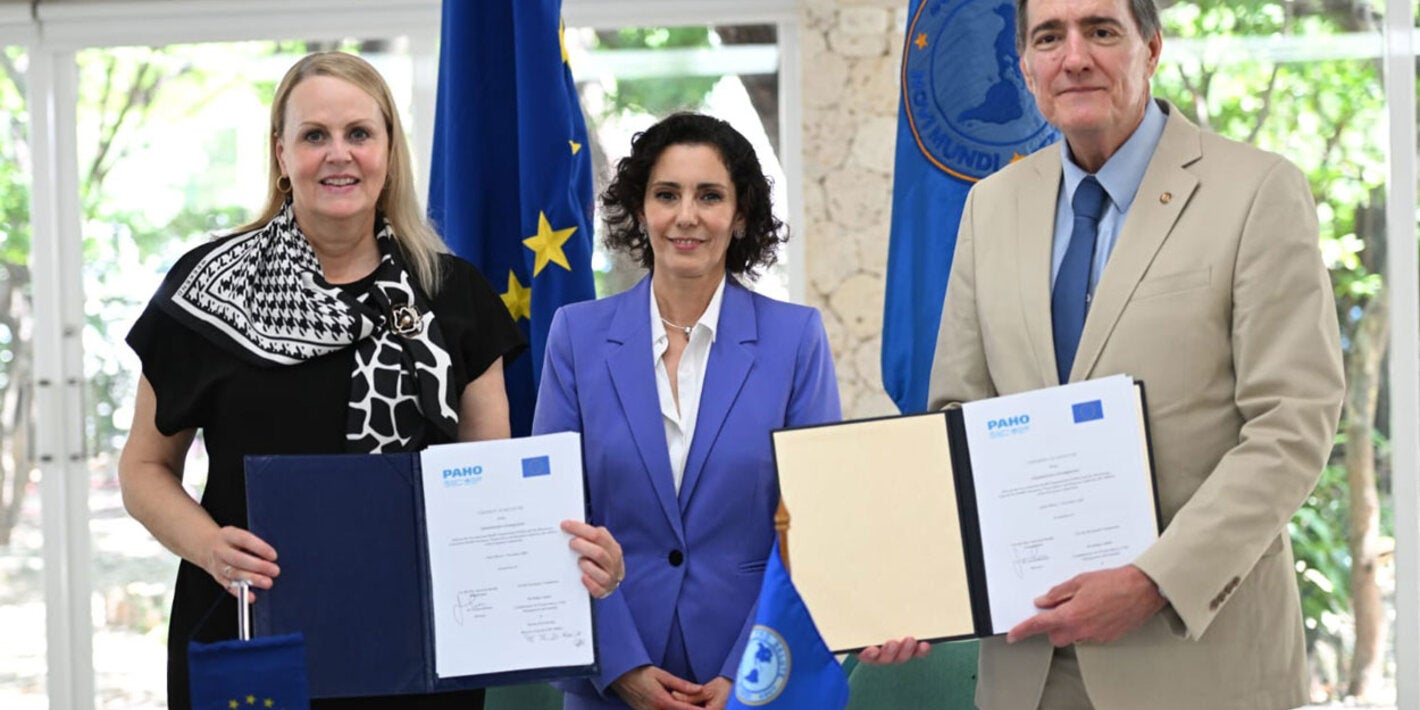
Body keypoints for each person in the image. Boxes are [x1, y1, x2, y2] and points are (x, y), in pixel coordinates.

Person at [864, 0, 1347, 708]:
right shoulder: (990, 207)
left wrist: (1154, 580)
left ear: (1151, 49)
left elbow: (1293, 423)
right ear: (1025, 66)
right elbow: (957, 418)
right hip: (1027, 661)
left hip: (1196, 659)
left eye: (1101, 30)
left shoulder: (1258, 191)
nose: (1075, 56)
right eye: (1049, 37)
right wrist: (927, 581)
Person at [118, 51, 624, 710]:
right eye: (314, 135)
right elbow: (143, 468)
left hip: (417, 648)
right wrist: (210, 547)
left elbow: (493, 492)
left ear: (389, 150)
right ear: (280, 153)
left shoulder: (453, 295)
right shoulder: (207, 293)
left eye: (359, 133)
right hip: (253, 638)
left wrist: (576, 563)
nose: (339, 154)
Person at [531, 112, 842, 710]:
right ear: (641, 209)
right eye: (666, 194)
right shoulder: (577, 336)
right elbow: (557, 518)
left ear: (742, 213)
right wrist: (621, 666)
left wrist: (747, 671)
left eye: (710, 196)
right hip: (612, 681)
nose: (687, 216)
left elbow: (812, 523)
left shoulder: (795, 339)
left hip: (755, 677)